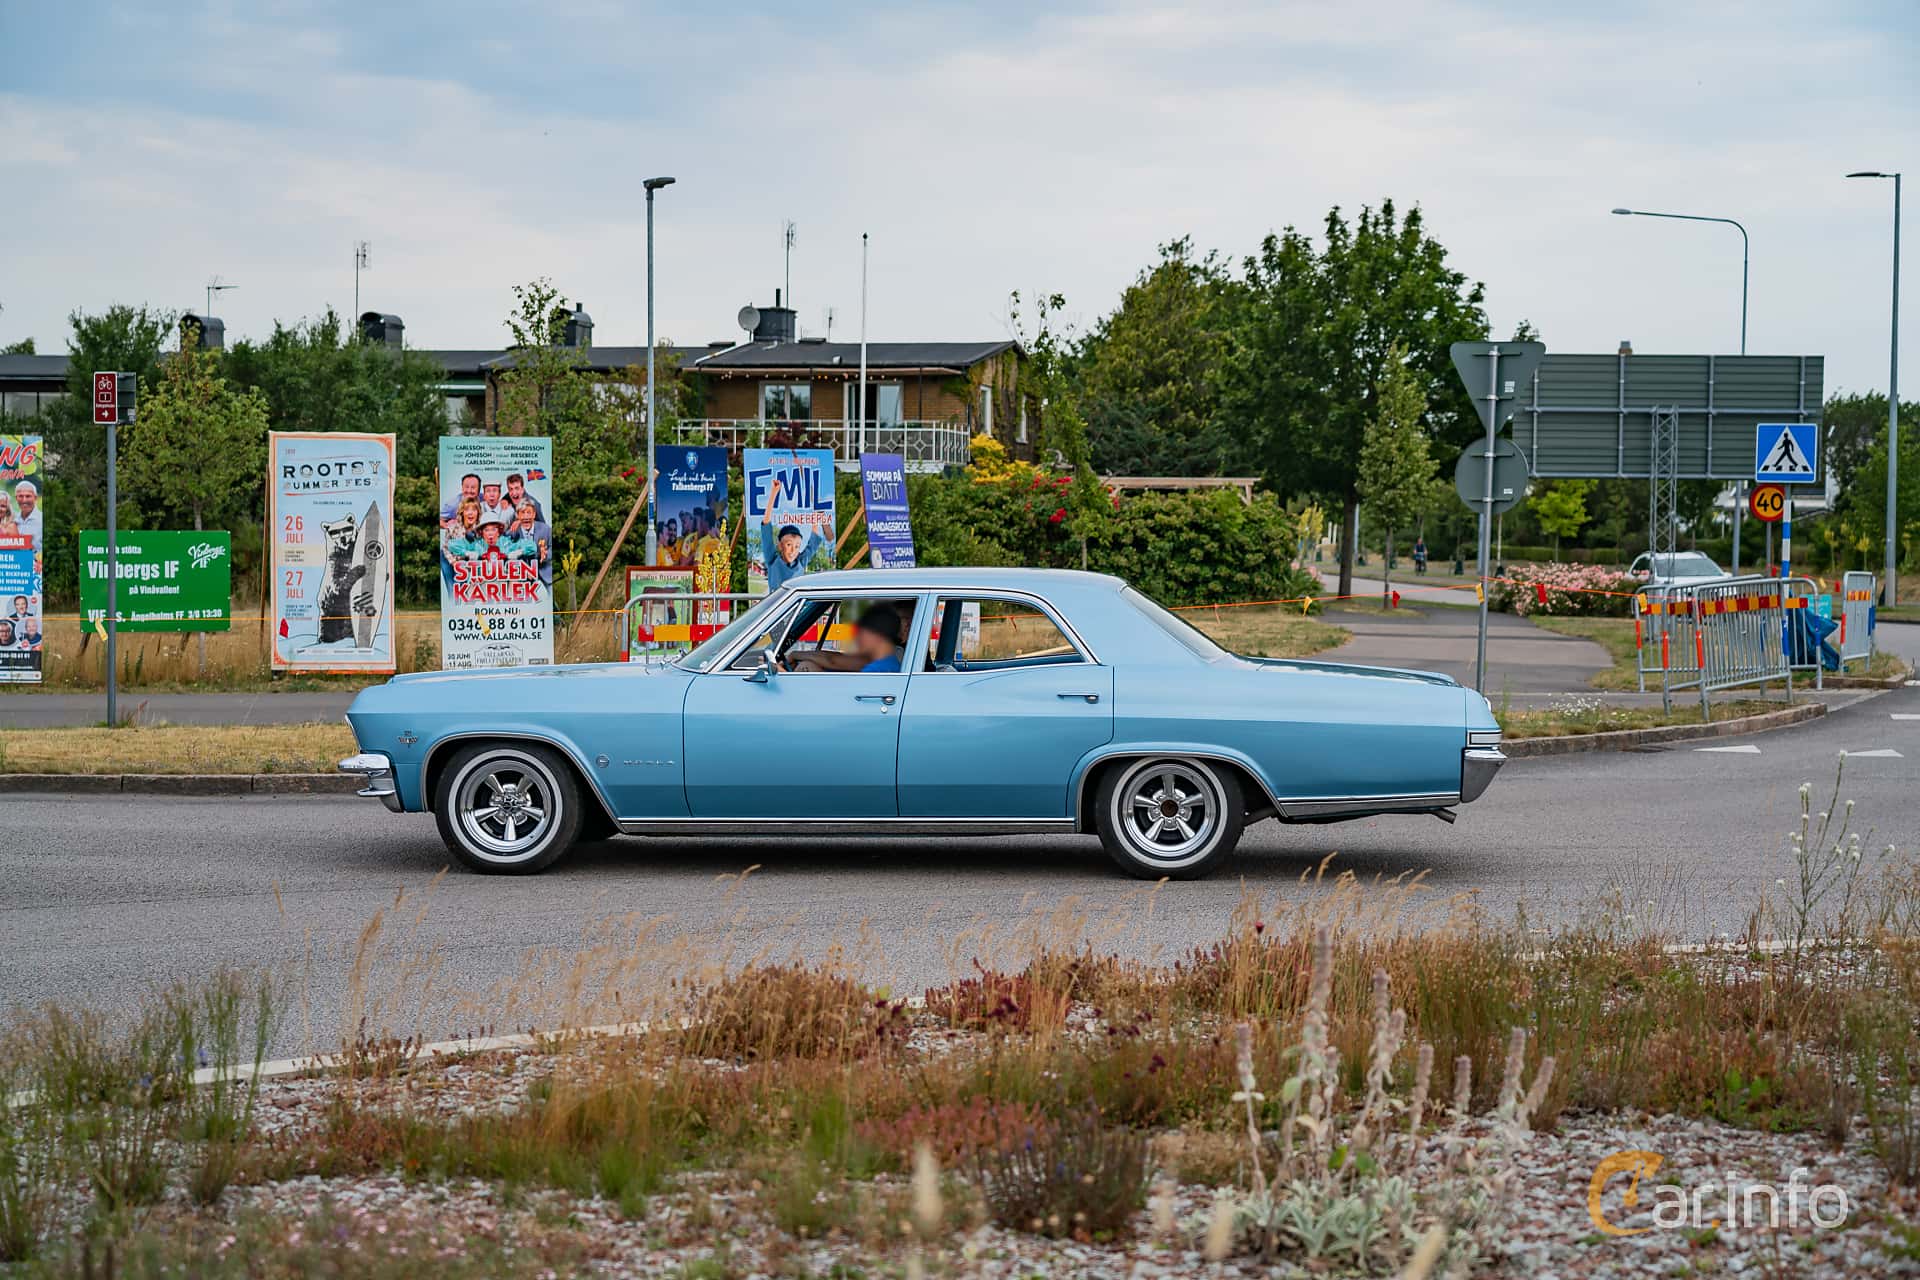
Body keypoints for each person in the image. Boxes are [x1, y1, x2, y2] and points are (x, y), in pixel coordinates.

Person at [783, 603, 906, 673]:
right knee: (808, 666)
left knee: (807, 667)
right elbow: (836, 658)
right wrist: (796, 655)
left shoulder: (878, 667)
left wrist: (790, 662)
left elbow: (833, 661)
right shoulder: (886, 659)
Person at [758, 476, 825, 593]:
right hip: (777, 608)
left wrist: (816, 511)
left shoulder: (801, 562)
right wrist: (773, 493)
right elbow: (766, 530)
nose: (793, 550)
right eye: (789, 545)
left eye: (797, 546)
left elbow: (812, 544)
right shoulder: (773, 560)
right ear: (780, 546)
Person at [13, 481, 40, 546]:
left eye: (28, 496)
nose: (24, 500)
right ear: (16, 498)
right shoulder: (13, 520)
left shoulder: (41, 520)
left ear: (35, 498)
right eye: (20, 496)